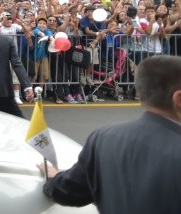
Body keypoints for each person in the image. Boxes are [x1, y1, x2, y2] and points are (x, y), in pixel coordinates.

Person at [39, 55, 181, 213]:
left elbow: (70, 191)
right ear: (179, 98)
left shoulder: (103, 138)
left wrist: (54, 178)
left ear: (140, 93)